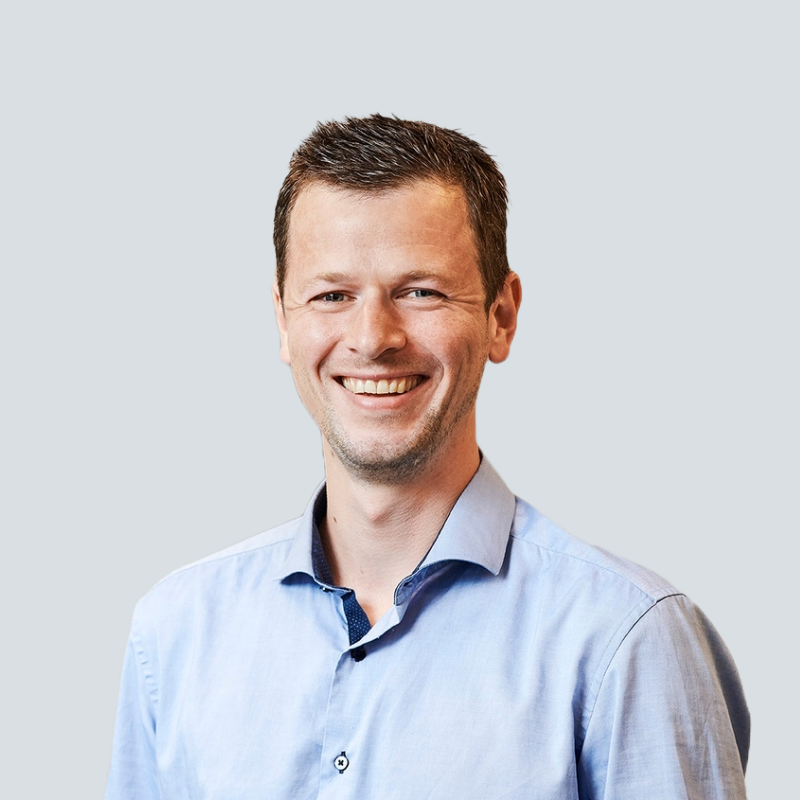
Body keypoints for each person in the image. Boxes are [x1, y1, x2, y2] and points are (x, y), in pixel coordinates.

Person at [105, 114, 749, 799]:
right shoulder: (174, 632)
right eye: (332, 295)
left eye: (420, 292)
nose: (372, 338)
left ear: (501, 316)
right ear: (283, 319)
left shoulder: (625, 637)